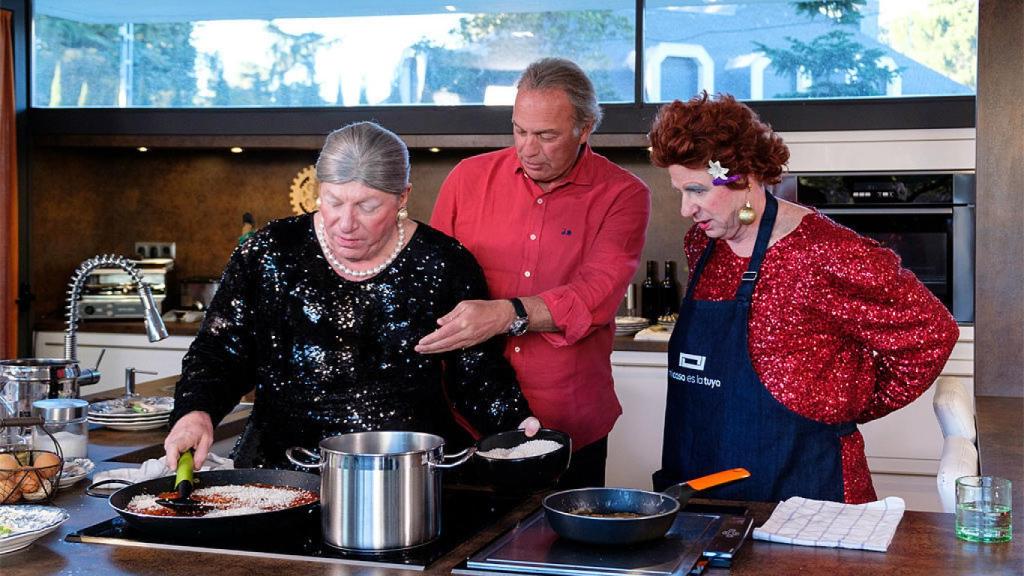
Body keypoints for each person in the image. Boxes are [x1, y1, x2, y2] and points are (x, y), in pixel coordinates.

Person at [165, 121, 539, 470]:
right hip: (279, 471)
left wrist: (519, 428)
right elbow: (220, 352)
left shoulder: (444, 262)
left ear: (402, 197)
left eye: (367, 206)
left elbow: (475, 373)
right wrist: (196, 411)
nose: (346, 223)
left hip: (404, 472)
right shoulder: (269, 252)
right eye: (333, 201)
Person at [647, 92, 959, 503]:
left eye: (698, 190)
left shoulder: (824, 252)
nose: (687, 209)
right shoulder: (703, 245)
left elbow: (932, 333)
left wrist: (848, 402)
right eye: (680, 192)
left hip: (806, 481)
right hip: (703, 476)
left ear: (743, 176)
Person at [416, 58, 651, 488]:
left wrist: (506, 314)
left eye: (546, 136)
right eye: (520, 130)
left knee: (566, 550)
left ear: (584, 130)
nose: (527, 148)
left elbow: (595, 296)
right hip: (466, 422)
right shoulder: (467, 180)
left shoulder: (623, 195)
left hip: (568, 422)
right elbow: (431, 280)